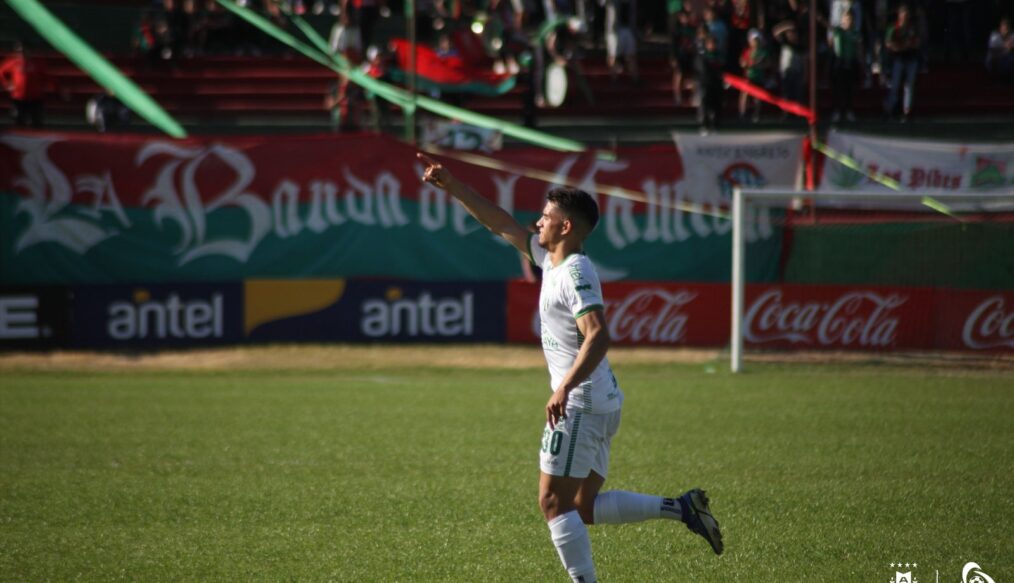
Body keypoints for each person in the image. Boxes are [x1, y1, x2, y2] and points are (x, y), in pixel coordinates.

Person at [416, 152, 723, 583]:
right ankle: (682, 507)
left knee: (552, 504)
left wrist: (563, 388)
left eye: (545, 216)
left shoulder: (576, 271)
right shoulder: (551, 262)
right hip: (601, 399)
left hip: (580, 402)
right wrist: (452, 185)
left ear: (566, 227)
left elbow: (598, 334)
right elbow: (499, 222)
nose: (536, 222)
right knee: (583, 508)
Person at [0, 43, 55, 128]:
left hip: (35, 98)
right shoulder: (13, 62)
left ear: (29, 51)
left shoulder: (37, 62)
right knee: (19, 122)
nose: (21, 54)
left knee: (37, 122)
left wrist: (53, 86)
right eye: (19, 51)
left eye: (23, 51)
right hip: (18, 98)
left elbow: (46, 76)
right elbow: (1, 72)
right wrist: (7, 84)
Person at [882, 4, 919, 121]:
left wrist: (905, 46)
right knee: (895, 84)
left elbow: (917, 42)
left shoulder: (912, 28)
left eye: (906, 14)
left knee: (909, 86)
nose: (904, 17)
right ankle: (890, 109)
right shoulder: (894, 27)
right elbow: (889, 44)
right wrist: (902, 47)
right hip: (898, 59)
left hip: (911, 59)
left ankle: (907, 111)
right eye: (902, 14)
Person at [829, 10, 861, 121]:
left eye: (850, 19)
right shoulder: (838, 31)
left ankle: (849, 111)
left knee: (849, 88)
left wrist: (860, 61)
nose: (848, 21)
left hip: (851, 62)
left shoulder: (855, 33)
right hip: (840, 62)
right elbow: (830, 29)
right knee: (838, 88)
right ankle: (837, 111)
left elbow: (859, 48)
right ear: (842, 20)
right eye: (846, 19)